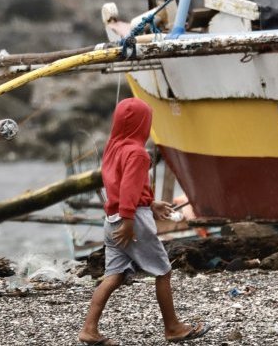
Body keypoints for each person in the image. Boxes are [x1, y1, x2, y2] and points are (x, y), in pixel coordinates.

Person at [78, 98, 208, 346]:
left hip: (112, 219)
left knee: (113, 275)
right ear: (142, 124)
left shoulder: (113, 148)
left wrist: (150, 203)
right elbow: (128, 189)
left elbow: (118, 186)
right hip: (131, 221)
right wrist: (130, 219)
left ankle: (89, 329)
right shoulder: (138, 153)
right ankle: (173, 328)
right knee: (163, 270)